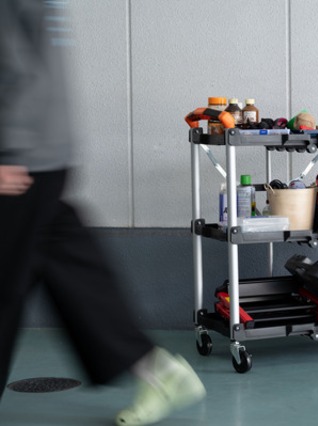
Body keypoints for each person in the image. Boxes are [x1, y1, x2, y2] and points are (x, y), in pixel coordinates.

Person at [0, 1, 206, 424]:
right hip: (47, 154)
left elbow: (13, 66)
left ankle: (157, 372)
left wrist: (9, 150)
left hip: (19, 161)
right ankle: (157, 371)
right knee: (72, 270)